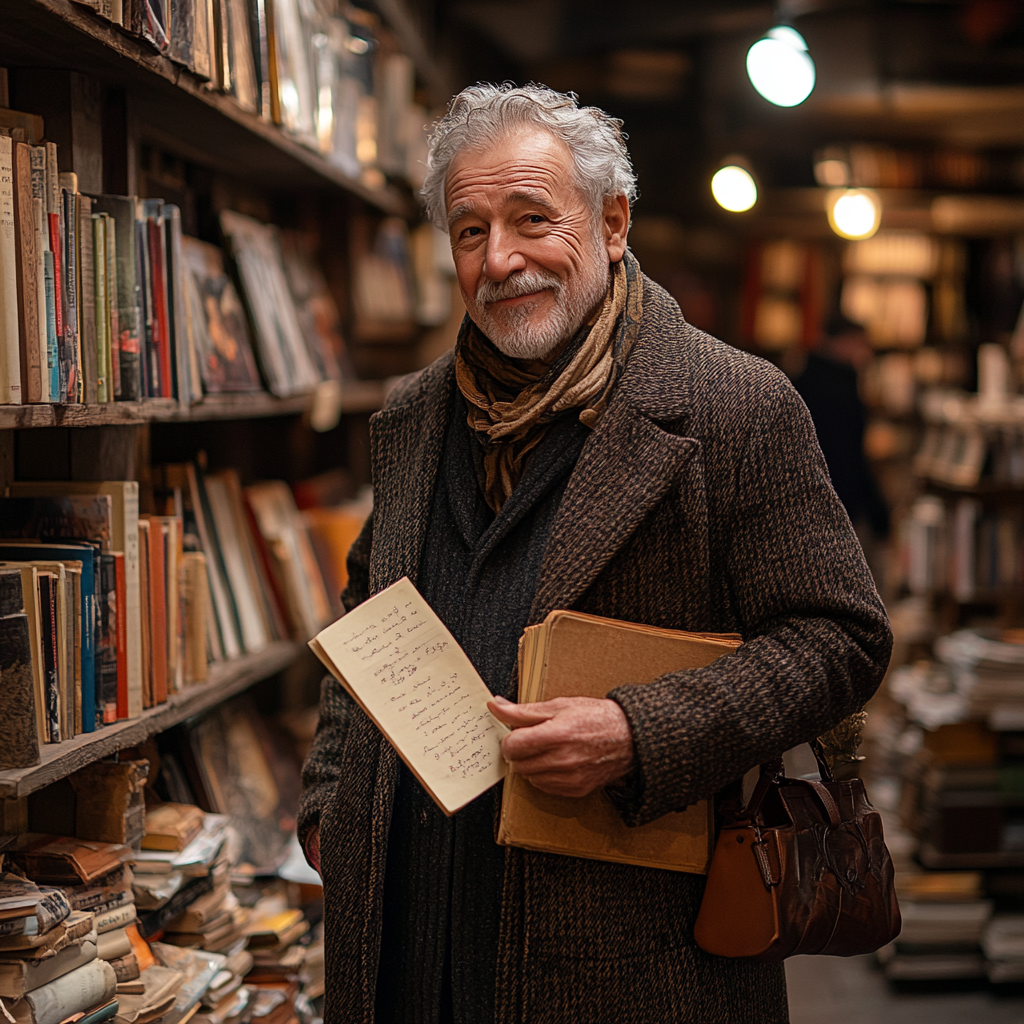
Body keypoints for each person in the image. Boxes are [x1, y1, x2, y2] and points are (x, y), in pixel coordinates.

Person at [298, 83, 892, 1024]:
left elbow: (840, 639)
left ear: (613, 222)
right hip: (409, 940)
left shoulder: (735, 407)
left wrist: (638, 733)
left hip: (629, 953)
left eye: (534, 219)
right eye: (468, 231)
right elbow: (368, 615)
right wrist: (333, 799)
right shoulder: (413, 418)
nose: (500, 259)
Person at [793, 315, 891, 543]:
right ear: (844, 342)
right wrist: (877, 515)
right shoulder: (840, 389)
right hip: (834, 504)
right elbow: (849, 457)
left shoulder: (802, 379)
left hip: (805, 504)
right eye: (861, 344)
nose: (865, 353)